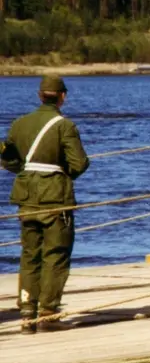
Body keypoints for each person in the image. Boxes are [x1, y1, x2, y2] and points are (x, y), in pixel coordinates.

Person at [1, 75, 90, 334]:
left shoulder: (19, 124)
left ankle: (27, 311)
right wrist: (61, 175)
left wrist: (29, 174)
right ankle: (48, 315)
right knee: (56, 254)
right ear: (62, 96)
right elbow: (79, 163)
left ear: (40, 96)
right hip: (55, 197)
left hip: (26, 196)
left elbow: (10, 161)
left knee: (29, 254)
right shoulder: (65, 126)